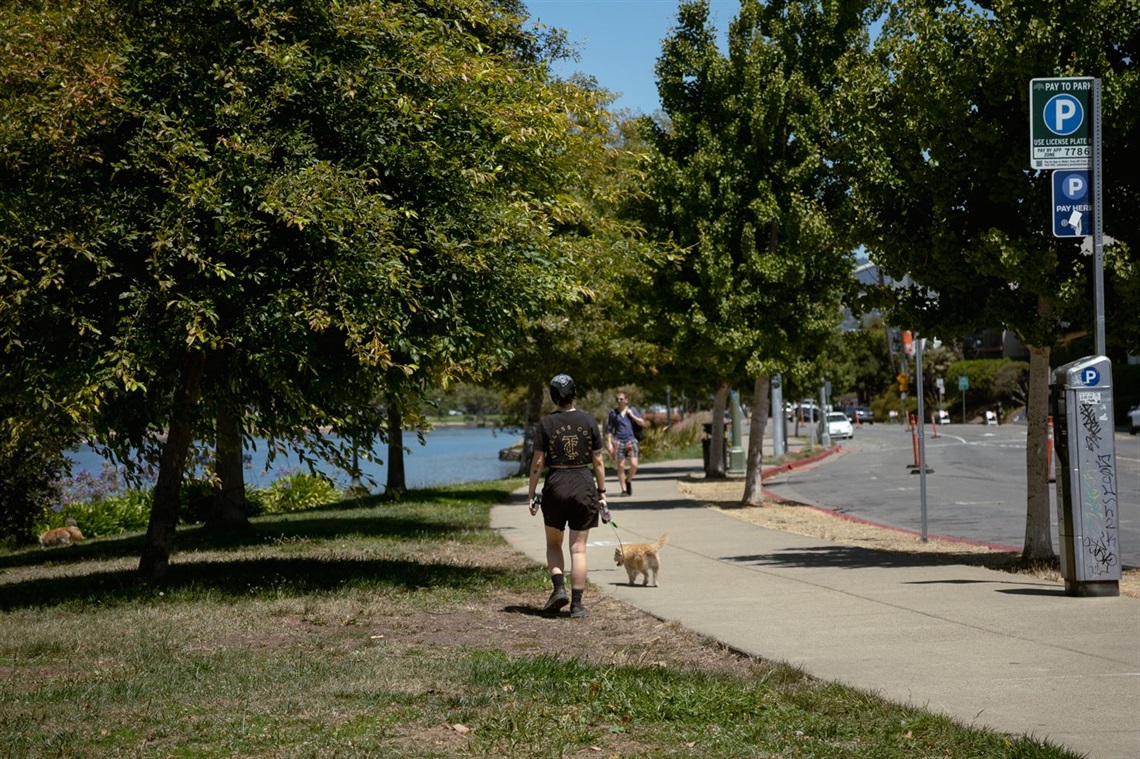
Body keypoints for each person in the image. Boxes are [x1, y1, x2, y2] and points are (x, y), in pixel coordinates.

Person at [527, 374, 607, 619]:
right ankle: (577, 605)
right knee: (578, 549)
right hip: (583, 483)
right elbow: (599, 461)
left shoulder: (545, 424)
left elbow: (538, 463)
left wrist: (531, 493)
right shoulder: (589, 421)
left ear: (553, 396)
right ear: (575, 392)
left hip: (556, 485)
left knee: (554, 543)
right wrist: (601, 492)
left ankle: (559, 588)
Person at [606, 391, 644, 496]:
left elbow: (642, 422)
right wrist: (609, 444)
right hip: (618, 441)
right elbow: (609, 430)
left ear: (626, 400)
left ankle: (628, 480)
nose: (619, 401)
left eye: (621, 399)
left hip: (631, 440)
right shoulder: (613, 413)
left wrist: (632, 415)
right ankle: (623, 490)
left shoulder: (632, 410)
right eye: (617, 399)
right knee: (621, 466)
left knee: (634, 464)